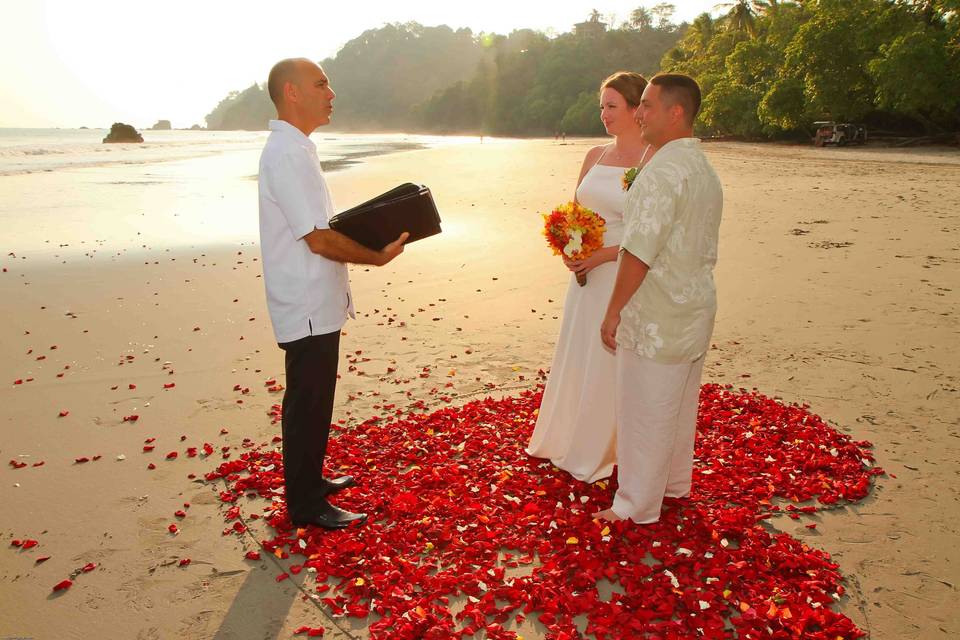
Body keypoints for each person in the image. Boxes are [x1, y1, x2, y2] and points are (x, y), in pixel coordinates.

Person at [258, 58, 408, 529]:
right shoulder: (286, 154)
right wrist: (376, 254)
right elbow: (318, 238)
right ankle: (304, 504)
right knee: (307, 400)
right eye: (321, 83)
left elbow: (322, 227)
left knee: (317, 397)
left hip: (316, 298)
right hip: (303, 300)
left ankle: (311, 481)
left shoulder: (299, 149)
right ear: (292, 92)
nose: (331, 92)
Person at [596, 73, 723, 524]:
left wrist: (613, 312)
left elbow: (638, 251)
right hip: (694, 306)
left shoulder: (661, 172)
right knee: (678, 405)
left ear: (676, 112)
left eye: (648, 105)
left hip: (657, 310)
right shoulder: (702, 168)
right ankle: (673, 484)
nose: (640, 113)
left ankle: (635, 505)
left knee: (644, 409)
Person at [527, 72, 656, 483]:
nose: (603, 114)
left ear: (638, 110)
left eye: (611, 106)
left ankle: (602, 448)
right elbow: (574, 211)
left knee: (608, 359)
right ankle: (567, 437)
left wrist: (602, 254)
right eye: (601, 105)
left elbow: (655, 232)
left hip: (622, 272)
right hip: (584, 275)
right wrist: (570, 245)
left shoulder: (652, 161)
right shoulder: (595, 155)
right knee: (580, 353)